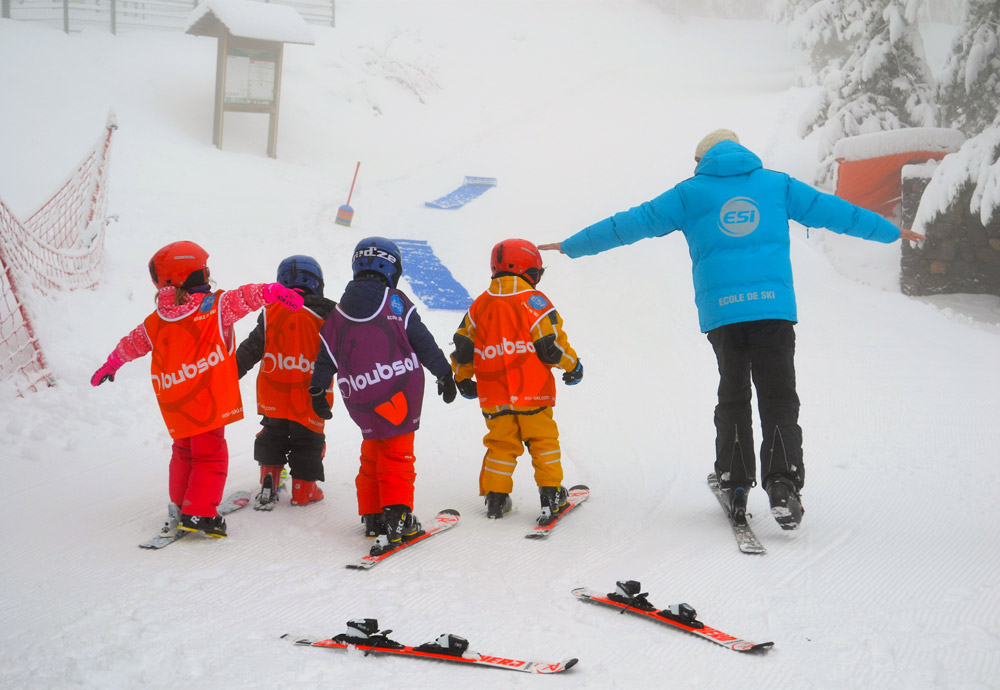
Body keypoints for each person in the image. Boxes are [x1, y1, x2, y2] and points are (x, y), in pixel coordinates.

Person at [539, 129, 925, 531]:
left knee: (734, 394)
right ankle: (782, 484)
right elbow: (836, 212)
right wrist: (892, 231)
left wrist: (570, 245)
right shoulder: (776, 185)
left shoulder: (691, 193)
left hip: (724, 314)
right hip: (773, 311)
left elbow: (631, 224)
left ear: (702, 159)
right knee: (778, 396)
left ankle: (735, 482)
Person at [90, 241, 304, 538]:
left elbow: (131, 344)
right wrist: (271, 292)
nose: (208, 274)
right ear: (194, 275)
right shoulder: (214, 307)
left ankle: (180, 506)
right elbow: (244, 297)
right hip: (208, 402)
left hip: (177, 405)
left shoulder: (155, 321)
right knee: (210, 456)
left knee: (183, 453)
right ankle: (200, 513)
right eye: (204, 270)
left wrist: (111, 364)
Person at [308, 237, 457, 555]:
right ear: (392, 269)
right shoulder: (395, 301)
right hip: (398, 391)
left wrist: (319, 388)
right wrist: (443, 372)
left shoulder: (337, 314)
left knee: (372, 452)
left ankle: (374, 516)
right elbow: (422, 340)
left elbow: (326, 355)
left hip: (362, 397)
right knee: (397, 454)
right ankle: (398, 516)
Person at [450, 239, 583, 523]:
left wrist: (462, 378)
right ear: (527, 270)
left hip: (494, 395)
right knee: (543, 441)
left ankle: (496, 500)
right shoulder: (534, 301)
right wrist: (573, 365)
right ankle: (551, 497)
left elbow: (462, 346)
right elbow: (550, 345)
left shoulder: (480, 305)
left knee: (501, 445)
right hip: (533, 392)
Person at [236, 255, 336, 511]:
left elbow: (251, 348)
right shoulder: (328, 314)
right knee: (308, 441)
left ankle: (268, 480)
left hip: (273, 393)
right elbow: (343, 353)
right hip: (311, 396)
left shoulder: (270, 312)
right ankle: (304, 491)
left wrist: (230, 372)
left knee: (273, 434)